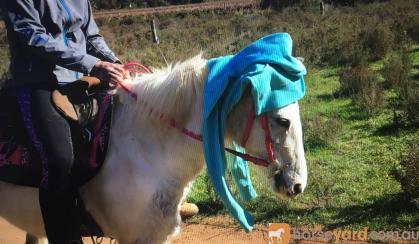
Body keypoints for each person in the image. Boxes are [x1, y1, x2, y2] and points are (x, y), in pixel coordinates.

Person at [0, 1, 125, 243]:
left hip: (82, 79)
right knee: (59, 161)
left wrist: (114, 63)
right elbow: (31, 35)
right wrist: (93, 64)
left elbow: (91, 35)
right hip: (37, 82)